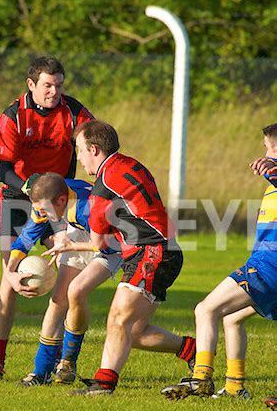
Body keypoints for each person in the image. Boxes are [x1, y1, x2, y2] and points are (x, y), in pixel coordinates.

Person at [44, 120, 188, 395]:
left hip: (152, 251)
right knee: (133, 332)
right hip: (161, 250)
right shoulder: (131, 164)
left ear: (94, 149)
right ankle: (195, 352)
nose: (79, 157)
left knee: (118, 318)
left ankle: (103, 384)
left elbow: (99, 244)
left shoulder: (102, 188)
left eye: (80, 150)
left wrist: (69, 245)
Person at [15, 173, 195, 385]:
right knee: (58, 299)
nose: (39, 211)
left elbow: (108, 244)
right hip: (85, 236)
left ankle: (68, 361)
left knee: (78, 291)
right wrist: (10, 274)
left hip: (112, 246)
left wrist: (69, 246)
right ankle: (42, 371)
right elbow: (25, 239)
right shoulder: (46, 198)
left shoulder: (85, 207)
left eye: (43, 208)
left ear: (60, 199)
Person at [0, 56, 94, 380]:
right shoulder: (13, 114)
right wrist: (28, 187)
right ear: (31, 85)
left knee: (68, 282)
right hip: (18, 197)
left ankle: (61, 360)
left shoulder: (74, 113)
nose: (54, 91)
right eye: (47, 85)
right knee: (9, 280)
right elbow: (2, 169)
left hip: (61, 199)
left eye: (59, 85)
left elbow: (94, 147)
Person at [161, 123, 277, 402]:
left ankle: (201, 378)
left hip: (269, 265)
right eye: (266, 149)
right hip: (266, 263)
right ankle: (236, 387)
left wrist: (272, 167)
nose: (267, 153)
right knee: (232, 317)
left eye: (271, 147)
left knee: (205, 309)